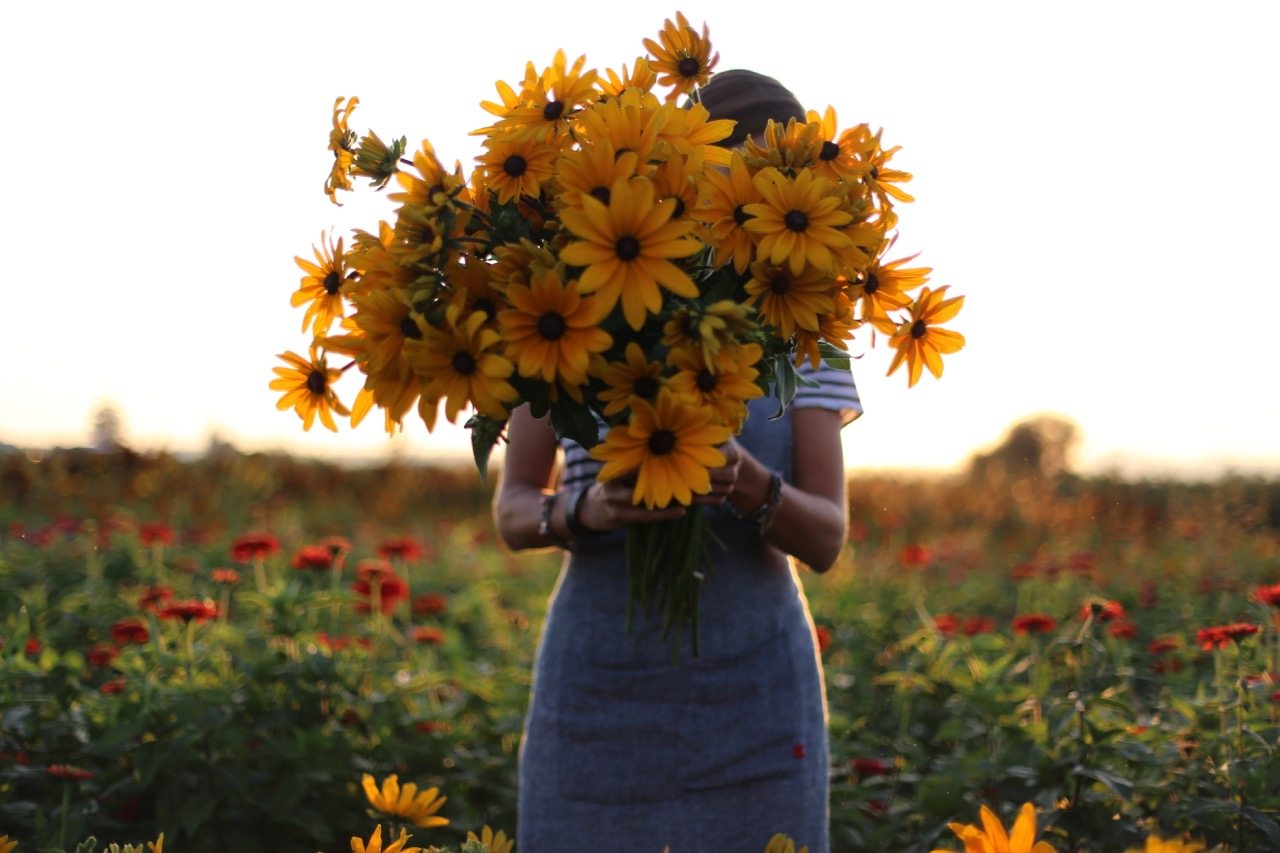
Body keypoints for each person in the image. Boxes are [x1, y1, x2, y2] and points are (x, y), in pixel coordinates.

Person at [493, 70, 862, 853]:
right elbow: (514, 503)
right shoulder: (568, 300)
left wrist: (749, 485)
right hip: (596, 695)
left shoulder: (808, 324)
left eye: (786, 181)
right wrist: (582, 511)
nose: (762, 203)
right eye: (746, 176)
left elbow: (827, 537)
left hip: (753, 699)